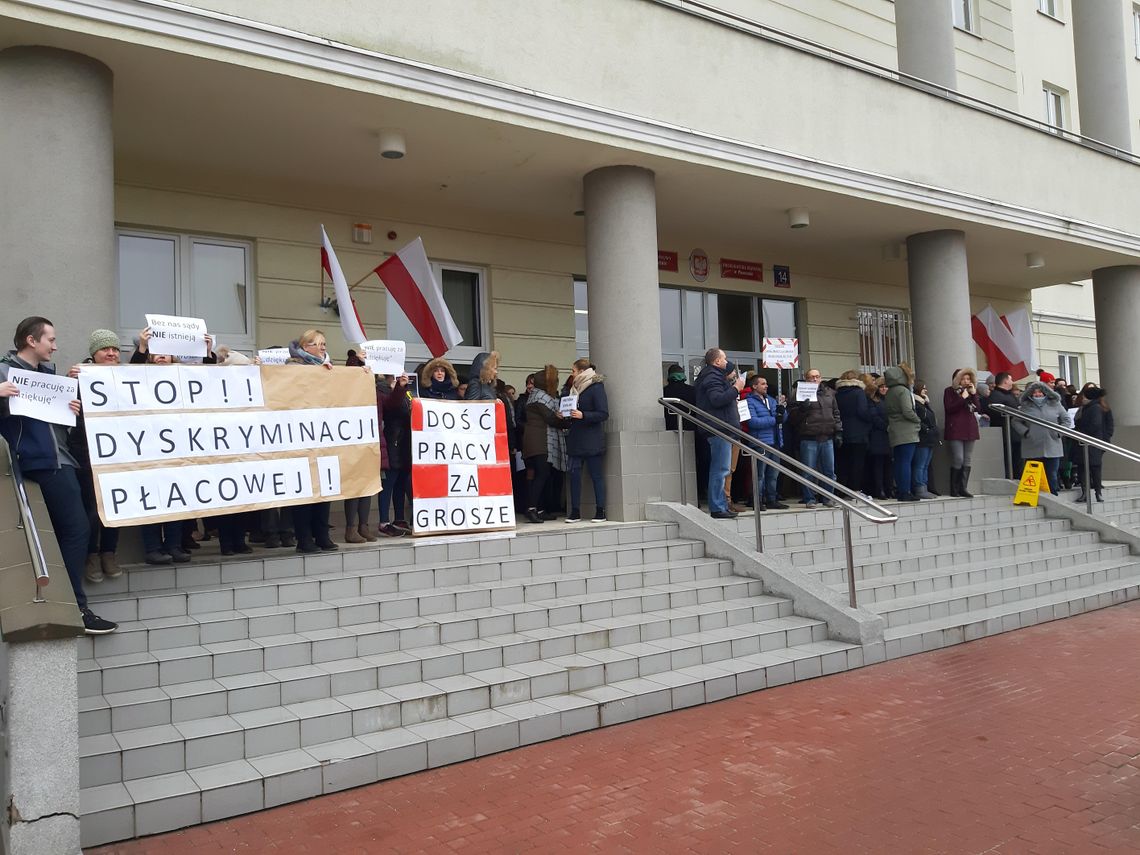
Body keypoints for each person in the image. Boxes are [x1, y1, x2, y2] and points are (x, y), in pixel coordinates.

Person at [0, 317, 117, 634]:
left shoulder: (46, 375)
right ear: (30, 340)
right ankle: (76, 608)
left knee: (77, 527)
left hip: (58, 458)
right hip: (40, 461)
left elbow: (48, 419)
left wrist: (69, 401)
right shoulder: (5, 371)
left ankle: (69, 604)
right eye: (50, 339)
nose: (55, 345)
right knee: (79, 527)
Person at [68, 329, 124, 583]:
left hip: (120, 452)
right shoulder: (78, 377)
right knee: (91, 507)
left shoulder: (126, 377)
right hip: (86, 452)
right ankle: (91, 555)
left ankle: (109, 553)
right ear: (94, 353)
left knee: (116, 505)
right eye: (105, 349)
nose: (111, 353)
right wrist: (69, 382)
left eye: (114, 349)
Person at [288, 329, 339, 552]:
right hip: (300, 440)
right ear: (305, 346)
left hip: (323, 439)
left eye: (324, 344)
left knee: (324, 489)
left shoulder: (328, 367)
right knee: (305, 492)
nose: (323, 348)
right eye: (318, 344)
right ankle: (304, 539)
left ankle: (322, 535)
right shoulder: (291, 367)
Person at [694, 348, 745, 520]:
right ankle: (717, 507)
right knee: (721, 469)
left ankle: (721, 505)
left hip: (722, 428)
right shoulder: (712, 376)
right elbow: (717, 400)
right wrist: (736, 388)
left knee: (723, 469)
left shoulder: (713, 376)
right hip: (719, 428)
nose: (726, 361)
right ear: (717, 362)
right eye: (724, 358)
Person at [787, 367, 841, 508]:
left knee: (829, 471)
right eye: (812, 377)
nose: (815, 379)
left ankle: (828, 497)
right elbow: (792, 418)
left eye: (817, 376)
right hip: (809, 437)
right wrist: (802, 409)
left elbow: (836, 413)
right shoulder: (799, 393)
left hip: (827, 436)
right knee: (808, 471)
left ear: (821, 378)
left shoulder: (829, 393)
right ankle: (809, 498)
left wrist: (839, 431)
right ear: (806, 379)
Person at [564, 358, 608, 523]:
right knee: (574, 475)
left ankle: (600, 511)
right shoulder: (573, 389)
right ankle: (575, 511)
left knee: (596, 476)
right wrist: (564, 414)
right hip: (575, 439)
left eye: (573, 370)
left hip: (591, 440)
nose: (571, 373)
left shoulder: (596, 387)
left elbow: (603, 413)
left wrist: (584, 415)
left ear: (582, 371)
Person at [663, 363, 710, 507]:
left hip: (670, 432)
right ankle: (700, 493)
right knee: (700, 462)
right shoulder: (693, 391)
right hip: (695, 431)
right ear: (683, 375)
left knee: (676, 464)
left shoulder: (663, 392)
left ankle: (682, 495)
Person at [522, 365, 564, 524]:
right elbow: (551, 419)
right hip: (539, 441)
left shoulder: (535, 396)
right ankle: (531, 508)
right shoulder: (540, 398)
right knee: (542, 475)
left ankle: (539, 509)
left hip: (535, 441)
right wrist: (564, 419)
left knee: (541, 475)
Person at [1013, 379, 1069, 496]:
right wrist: (1026, 432)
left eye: (1040, 392)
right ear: (1030, 394)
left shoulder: (1055, 404)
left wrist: (1059, 432)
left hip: (1052, 445)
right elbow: (1016, 422)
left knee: (1051, 474)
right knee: (1033, 476)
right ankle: (1034, 498)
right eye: (1035, 392)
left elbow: (1066, 420)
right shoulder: (1025, 407)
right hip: (1032, 445)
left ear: (1045, 393)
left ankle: (1053, 498)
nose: (1038, 394)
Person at [744, 373, 788, 511]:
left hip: (775, 441)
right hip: (760, 442)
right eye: (763, 383)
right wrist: (775, 420)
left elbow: (782, 419)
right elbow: (752, 422)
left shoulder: (771, 400)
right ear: (754, 386)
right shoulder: (749, 401)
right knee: (760, 474)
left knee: (773, 474)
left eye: (766, 383)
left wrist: (783, 411)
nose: (766, 386)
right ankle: (757, 499)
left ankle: (771, 499)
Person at [379, 374, 412, 536]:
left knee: (401, 482)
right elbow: (393, 408)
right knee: (388, 483)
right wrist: (398, 388)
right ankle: (384, 521)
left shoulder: (406, 393)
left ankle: (399, 518)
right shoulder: (382, 389)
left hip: (404, 443)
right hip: (392, 441)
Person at [883, 364, 921, 502]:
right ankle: (906, 492)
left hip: (894, 429)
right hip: (907, 430)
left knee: (899, 462)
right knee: (906, 462)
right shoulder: (903, 391)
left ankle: (901, 490)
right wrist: (918, 421)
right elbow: (908, 411)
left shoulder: (890, 392)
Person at [943, 368, 981, 498]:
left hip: (970, 428)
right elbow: (949, 408)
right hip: (956, 428)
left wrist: (974, 394)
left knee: (967, 458)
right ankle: (954, 489)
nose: (965, 381)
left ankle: (963, 488)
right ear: (957, 379)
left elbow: (978, 408)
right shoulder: (949, 391)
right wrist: (961, 398)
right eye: (963, 378)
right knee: (958, 458)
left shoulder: (971, 392)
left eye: (968, 379)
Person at [1073, 383, 1113, 503]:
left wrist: (1079, 432)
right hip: (1087, 442)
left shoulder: (1094, 408)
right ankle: (1090, 492)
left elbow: (1098, 425)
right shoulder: (1087, 408)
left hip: (1091, 442)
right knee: (1087, 466)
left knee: (1092, 467)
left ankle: (1095, 492)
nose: (1083, 398)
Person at [834, 369, 872, 496]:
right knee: (857, 463)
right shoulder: (859, 392)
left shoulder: (837, 393)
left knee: (843, 463)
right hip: (858, 433)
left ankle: (841, 490)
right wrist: (869, 420)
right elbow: (863, 411)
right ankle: (855, 490)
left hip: (842, 432)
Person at [985, 371, 1023, 479]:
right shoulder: (996, 395)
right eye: (1011, 379)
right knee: (1008, 458)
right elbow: (993, 411)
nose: (1012, 382)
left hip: (1014, 432)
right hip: (1005, 433)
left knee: (1017, 459)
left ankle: (1016, 477)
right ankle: (1009, 477)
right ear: (1005, 381)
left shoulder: (1009, 394)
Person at [912, 380, 940, 499]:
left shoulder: (924, 403)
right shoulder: (916, 404)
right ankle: (919, 488)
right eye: (923, 388)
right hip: (923, 438)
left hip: (930, 437)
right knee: (920, 464)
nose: (925, 390)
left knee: (926, 463)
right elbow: (918, 419)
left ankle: (925, 487)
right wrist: (927, 429)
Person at [865, 375, 891, 500]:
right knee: (878, 465)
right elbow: (873, 417)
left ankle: (888, 489)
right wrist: (886, 426)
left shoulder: (891, 400)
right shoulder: (873, 401)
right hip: (877, 436)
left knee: (888, 465)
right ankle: (879, 489)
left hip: (890, 436)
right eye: (881, 387)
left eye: (886, 387)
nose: (884, 389)